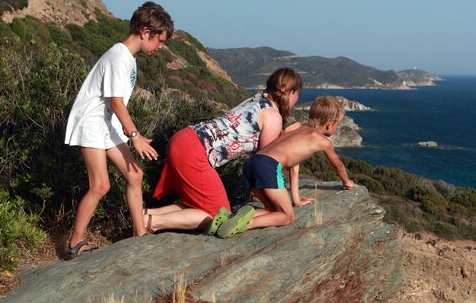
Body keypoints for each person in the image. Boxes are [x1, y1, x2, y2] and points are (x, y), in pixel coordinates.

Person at [64, 1, 173, 258]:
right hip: (91, 123)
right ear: (146, 32)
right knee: (100, 185)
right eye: (160, 40)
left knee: (135, 175)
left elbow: (117, 105)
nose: (160, 47)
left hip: (106, 125)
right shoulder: (118, 56)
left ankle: (139, 233)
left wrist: (131, 133)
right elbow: (115, 101)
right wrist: (134, 137)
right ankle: (75, 242)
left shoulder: (129, 60)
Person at [145, 68, 303, 234]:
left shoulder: (257, 100)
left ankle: (148, 214)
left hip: (185, 138)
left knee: (199, 203)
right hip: (195, 151)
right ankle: (152, 222)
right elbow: (265, 162)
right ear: (291, 92)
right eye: (298, 95)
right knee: (218, 215)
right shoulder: (273, 116)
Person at [215, 96, 355, 238]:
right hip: (268, 166)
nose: (337, 128)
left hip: (252, 163)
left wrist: (297, 200)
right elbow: (339, 166)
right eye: (337, 125)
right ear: (330, 124)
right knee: (287, 217)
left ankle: (227, 219)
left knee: (272, 211)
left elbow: (293, 166)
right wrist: (346, 182)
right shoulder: (323, 142)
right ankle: (247, 224)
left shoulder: (296, 126)